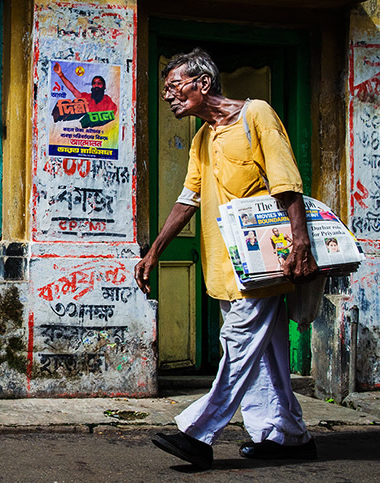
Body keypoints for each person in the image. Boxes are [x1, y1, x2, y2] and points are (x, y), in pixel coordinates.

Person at [134, 48, 319, 470]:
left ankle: (198, 434)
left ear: (202, 83)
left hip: (268, 260)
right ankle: (288, 436)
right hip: (224, 264)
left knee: (238, 345)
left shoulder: (257, 115)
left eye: (174, 86)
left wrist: (301, 243)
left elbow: (286, 179)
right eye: (165, 90)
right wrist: (154, 252)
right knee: (265, 354)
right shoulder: (202, 137)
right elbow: (188, 198)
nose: (168, 96)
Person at [53, 62, 118, 114]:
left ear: (104, 86)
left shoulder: (108, 101)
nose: (96, 86)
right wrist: (60, 75)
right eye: (94, 83)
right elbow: (73, 90)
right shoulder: (86, 98)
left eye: (99, 83)